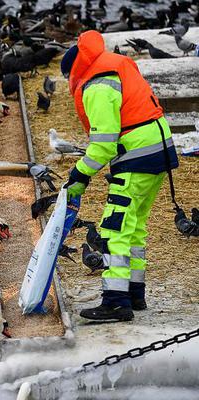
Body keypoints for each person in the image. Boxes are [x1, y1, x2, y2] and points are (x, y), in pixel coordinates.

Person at [60, 30, 178, 322]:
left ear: (73, 72)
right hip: (158, 151)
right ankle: (134, 294)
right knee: (134, 226)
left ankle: (115, 302)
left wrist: (79, 174)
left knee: (114, 230)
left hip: (135, 156)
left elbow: (103, 144)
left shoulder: (97, 86)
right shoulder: (113, 65)